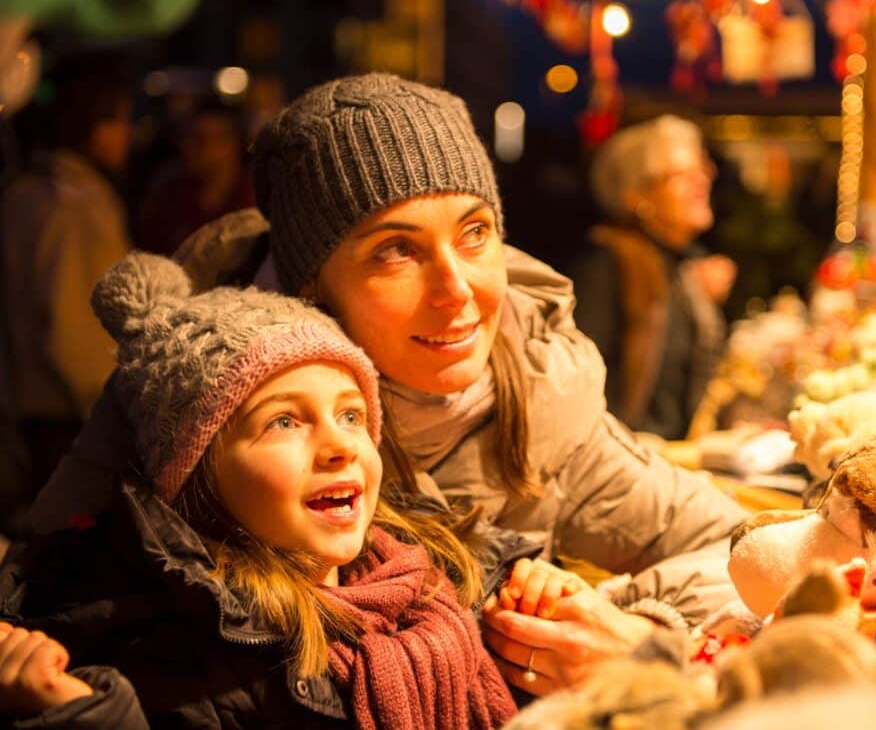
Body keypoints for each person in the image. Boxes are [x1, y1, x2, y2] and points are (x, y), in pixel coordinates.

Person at [29, 73, 748, 696]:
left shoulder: (536, 398)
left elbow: (744, 550)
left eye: (474, 233)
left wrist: (639, 633)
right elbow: (37, 589)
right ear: (311, 289)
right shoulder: (188, 393)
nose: (457, 291)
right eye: (396, 251)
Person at [0, 251, 517, 728]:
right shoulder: (183, 658)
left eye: (350, 414)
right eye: (284, 422)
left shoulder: (438, 570)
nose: (339, 444)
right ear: (198, 473)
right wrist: (86, 715)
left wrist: (540, 589)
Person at [0, 54, 134, 534]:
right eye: (118, 120)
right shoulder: (77, 203)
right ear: (90, 126)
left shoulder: (23, 192)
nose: (128, 135)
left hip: (26, 409)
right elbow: (74, 330)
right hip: (73, 419)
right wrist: (118, 417)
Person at [568, 115, 735, 440]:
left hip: (673, 461)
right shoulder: (606, 267)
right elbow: (584, 395)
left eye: (701, 169)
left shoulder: (679, 268)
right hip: (626, 467)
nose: (701, 181)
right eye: (679, 175)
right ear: (637, 196)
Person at [135, 96, 255, 256]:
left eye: (215, 138)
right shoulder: (169, 197)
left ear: (236, 144)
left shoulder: (257, 202)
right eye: (193, 136)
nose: (203, 147)